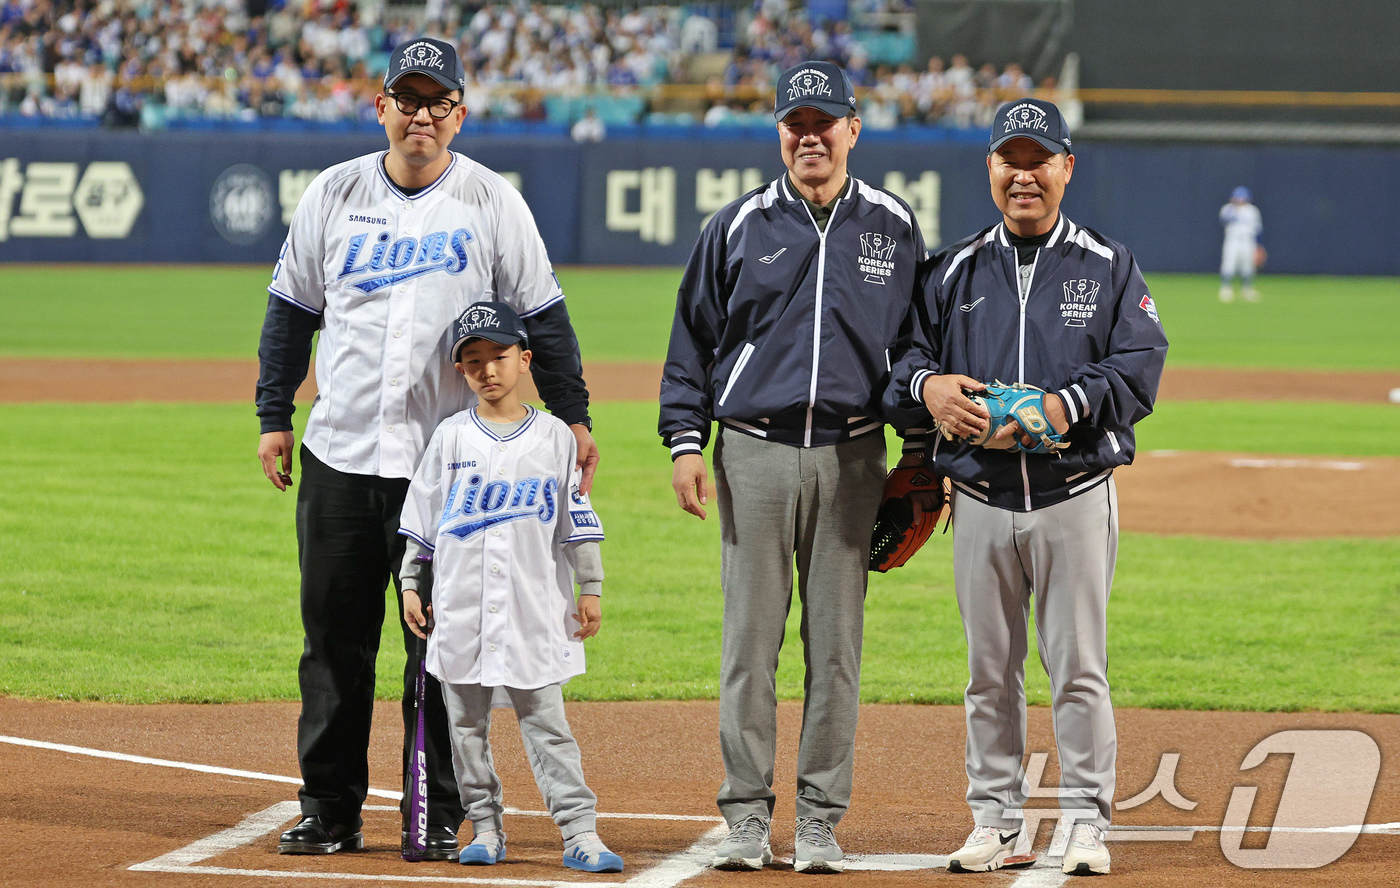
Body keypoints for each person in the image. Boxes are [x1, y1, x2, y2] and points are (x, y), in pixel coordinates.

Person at [255, 36, 599, 860]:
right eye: (407, 99)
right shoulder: (333, 194)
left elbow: (543, 314)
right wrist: (274, 413)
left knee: (444, 652)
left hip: (443, 473)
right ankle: (330, 808)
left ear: (458, 114)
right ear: (381, 107)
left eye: (436, 102)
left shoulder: (490, 202)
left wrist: (574, 414)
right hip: (340, 458)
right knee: (334, 649)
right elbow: (290, 312)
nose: (421, 115)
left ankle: (443, 811)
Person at [885, 98, 1167, 876]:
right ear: (990, 170)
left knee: (1077, 668)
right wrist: (929, 386)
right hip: (977, 501)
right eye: (1009, 160)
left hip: (1073, 494)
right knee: (988, 676)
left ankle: (1084, 821)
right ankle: (995, 821)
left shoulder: (1107, 266)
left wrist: (1062, 405)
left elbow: (1139, 364)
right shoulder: (951, 270)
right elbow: (901, 360)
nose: (1023, 175)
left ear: (1066, 168)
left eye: (1039, 160)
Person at [659, 60, 927, 875]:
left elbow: (919, 345)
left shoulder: (892, 226)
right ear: (779, 132)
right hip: (754, 452)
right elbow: (691, 345)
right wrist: (683, 443)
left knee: (836, 649)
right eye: (795, 124)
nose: (810, 136)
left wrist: (918, 454)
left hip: (854, 458)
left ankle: (818, 821)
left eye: (825, 122)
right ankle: (745, 817)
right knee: (750, 644)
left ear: (854, 127)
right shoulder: (737, 225)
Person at [397, 302, 623, 874]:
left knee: (547, 725)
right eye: (473, 361)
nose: (487, 370)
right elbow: (422, 521)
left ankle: (580, 833)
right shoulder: (449, 438)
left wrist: (590, 588)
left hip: (533, 609)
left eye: (498, 357)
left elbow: (577, 525)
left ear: (523, 360)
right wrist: (410, 582)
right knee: (465, 728)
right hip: (460, 609)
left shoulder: (553, 438)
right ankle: (486, 828)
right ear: (461, 372)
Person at [1219, 185, 1263, 302]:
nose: (1239, 200)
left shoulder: (1252, 211)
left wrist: (1259, 247)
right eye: (1237, 197)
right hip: (1232, 239)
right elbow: (1224, 220)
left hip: (1248, 240)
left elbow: (1258, 230)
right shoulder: (1228, 209)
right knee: (1229, 262)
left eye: (1242, 198)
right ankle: (1226, 287)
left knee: (1248, 264)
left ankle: (1247, 288)